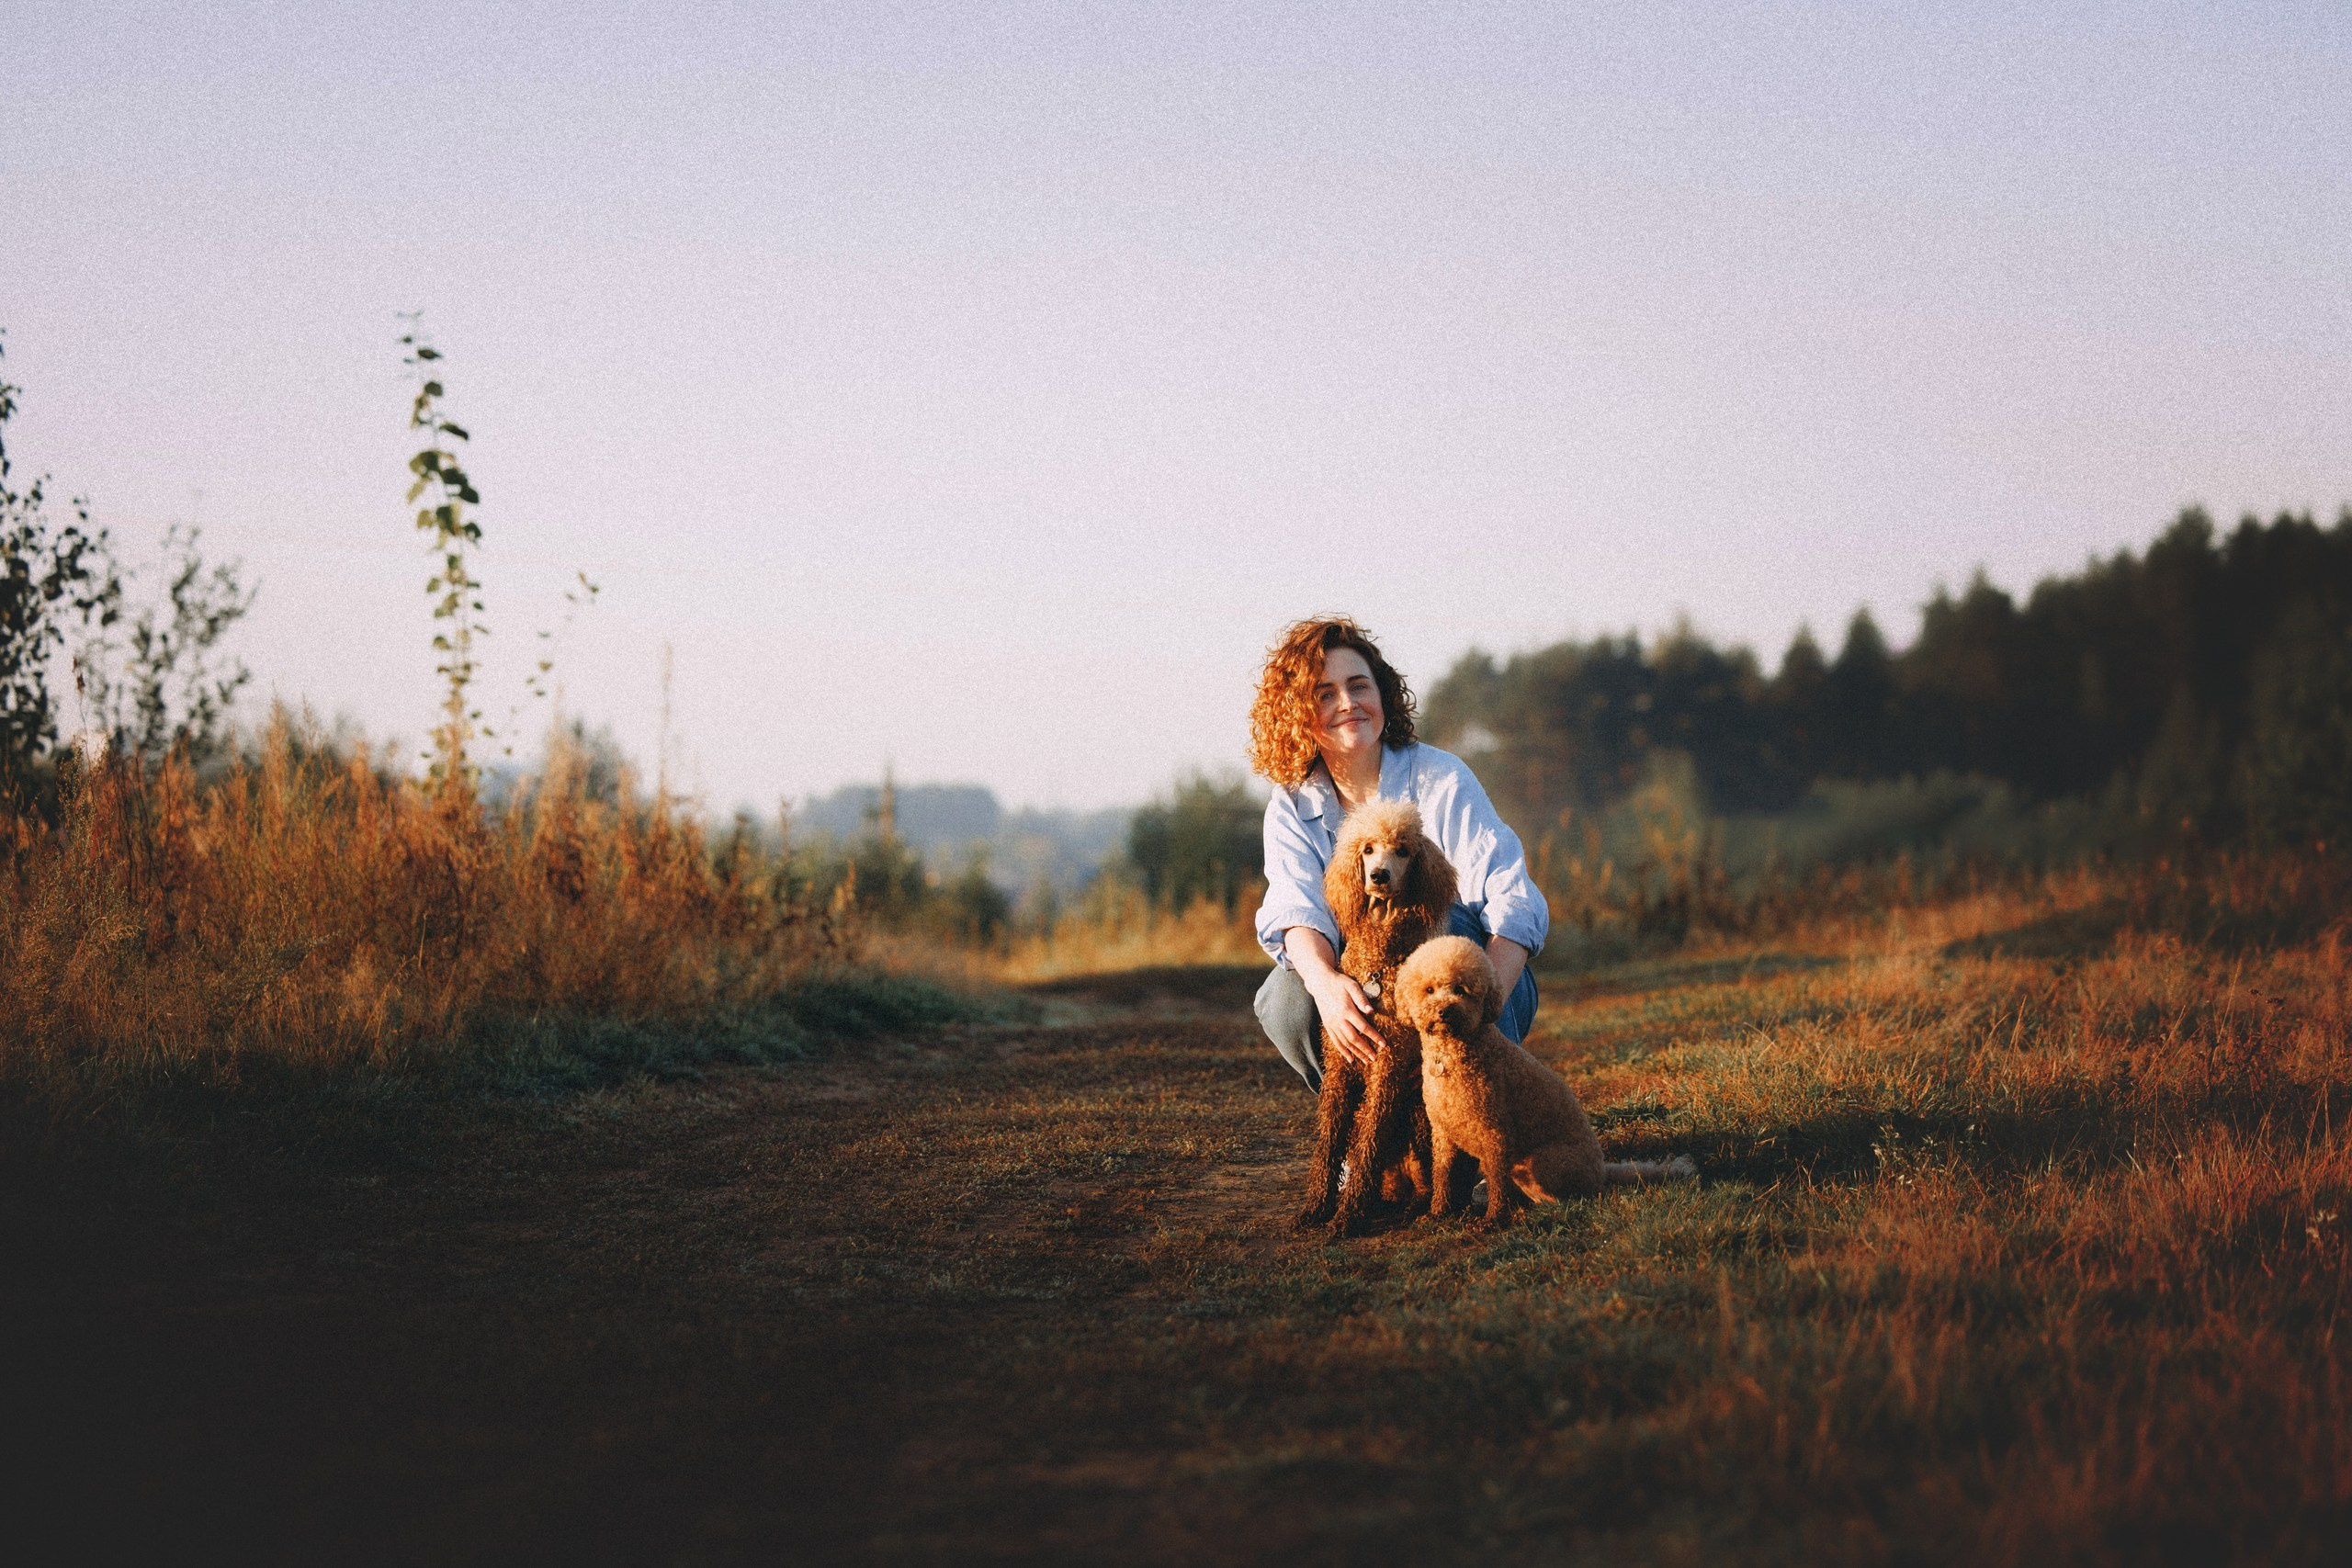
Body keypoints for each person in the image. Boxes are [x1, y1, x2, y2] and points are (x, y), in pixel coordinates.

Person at [1249, 616, 1548, 1093]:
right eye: (1324, 694)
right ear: (1297, 714)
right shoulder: (1290, 804)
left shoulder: (1441, 777)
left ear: (1381, 693)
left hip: (1468, 979)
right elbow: (1296, 910)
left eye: (1358, 685)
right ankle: (1368, 1140)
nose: (1347, 704)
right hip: (1367, 980)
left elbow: (1511, 899)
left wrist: (1485, 1005)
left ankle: (1485, 1123)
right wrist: (1327, 987)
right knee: (1286, 997)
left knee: (1441, 922)